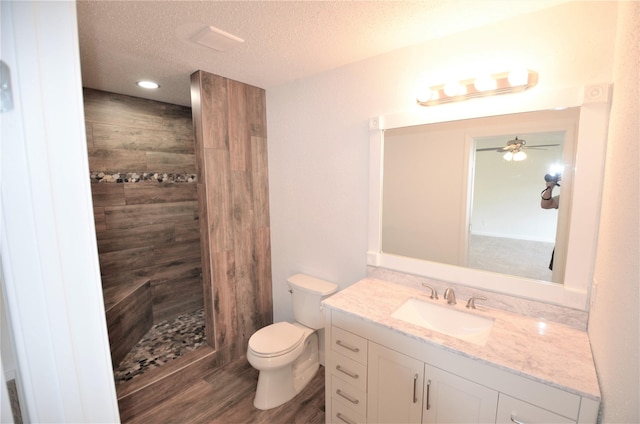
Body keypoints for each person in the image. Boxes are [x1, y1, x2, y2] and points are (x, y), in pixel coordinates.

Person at [540, 174, 560, 269]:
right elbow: (545, 205)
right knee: (558, 268)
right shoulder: (565, 196)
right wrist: (549, 188)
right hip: (562, 240)